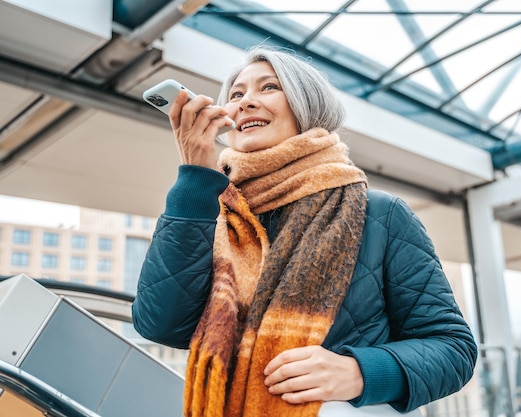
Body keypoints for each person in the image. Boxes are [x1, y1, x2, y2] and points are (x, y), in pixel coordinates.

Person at [132, 45, 478, 417]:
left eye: (268, 87)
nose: (246, 101)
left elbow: (453, 349)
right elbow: (160, 324)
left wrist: (360, 371)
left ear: (306, 105)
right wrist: (195, 181)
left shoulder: (380, 213)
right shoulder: (209, 213)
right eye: (236, 94)